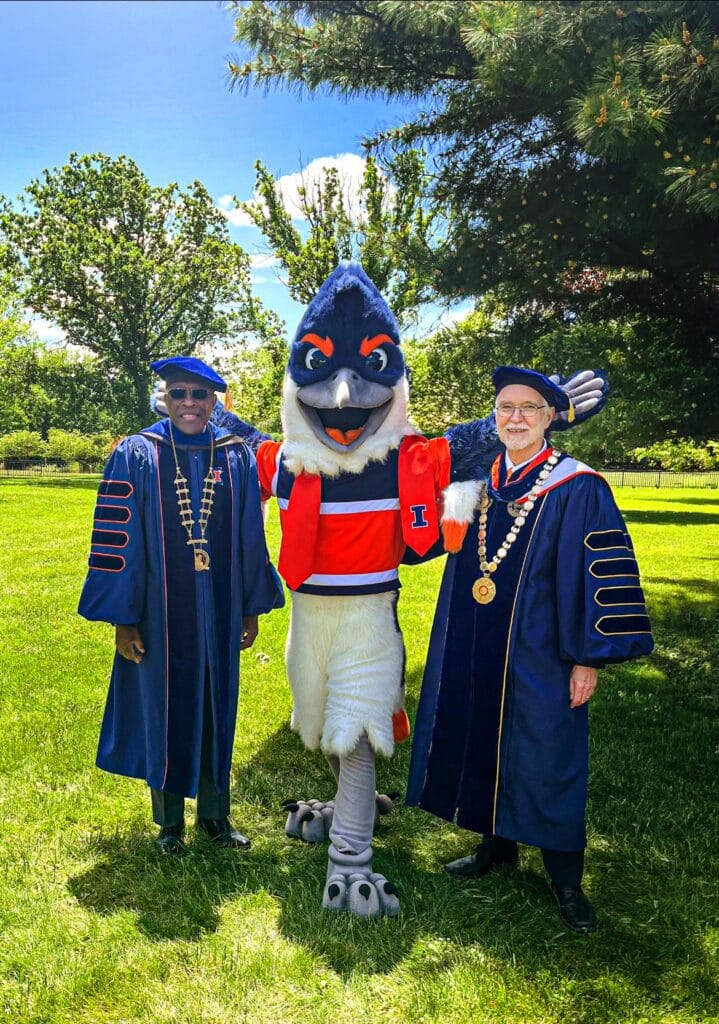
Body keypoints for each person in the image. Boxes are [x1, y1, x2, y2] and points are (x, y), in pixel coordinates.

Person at [406, 366, 653, 932]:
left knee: (547, 754)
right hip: (481, 641)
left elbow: (599, 579)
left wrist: (587, 659)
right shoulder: (479, 481)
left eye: (528, 408)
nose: (514, 417)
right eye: (505, 407)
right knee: (484, 738)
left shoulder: (578, 485)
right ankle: (495, 846)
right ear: (494, 417)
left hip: (546, 650)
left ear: (550, 418)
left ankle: (567, 881)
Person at [78, 357, 284, 855]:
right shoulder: (137, 453)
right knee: (163, 709)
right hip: (157, 611)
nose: (189, 404)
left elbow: (250, 538)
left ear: (215, 402)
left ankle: (216, 816)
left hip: (218, 607)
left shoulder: (234, 455)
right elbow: (116, 538)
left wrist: (249, 607)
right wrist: (124, 620)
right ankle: (169, 823)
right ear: (165, 399)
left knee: (217, 706)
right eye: (179, 394)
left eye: (200, 395)